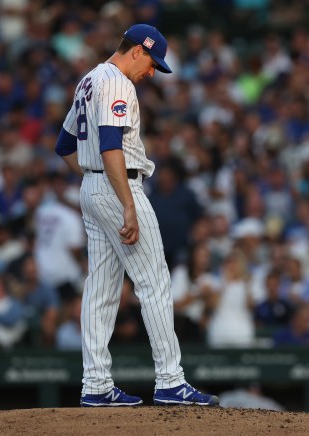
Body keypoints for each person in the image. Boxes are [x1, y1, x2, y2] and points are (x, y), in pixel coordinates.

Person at [54, 23, 218, 407]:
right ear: (137, 51)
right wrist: (124, 201)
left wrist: (94, 182)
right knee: (154, 282)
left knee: (101, 289)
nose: (152, 72)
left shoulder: (89, 81)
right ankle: (170, 380)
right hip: (118, 185)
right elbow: (111, 145)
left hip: (94, 187)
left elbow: (64, 145)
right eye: (152, 63)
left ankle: (95, 384)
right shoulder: (116, 83)